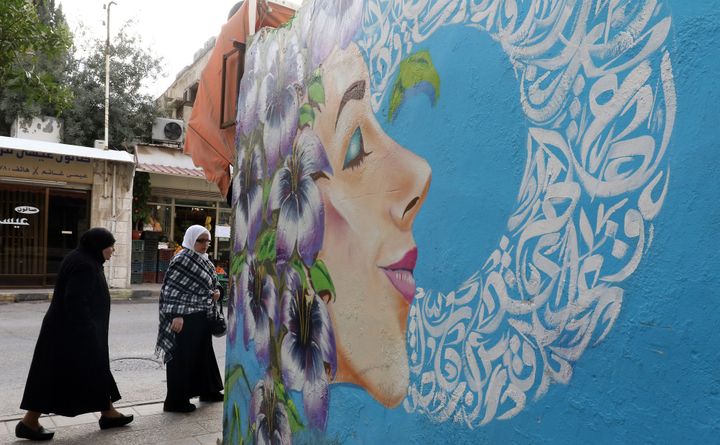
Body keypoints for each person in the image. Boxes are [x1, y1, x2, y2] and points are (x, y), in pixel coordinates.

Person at [16, 227, 133, 441]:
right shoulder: (84, 265)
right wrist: (87, 331)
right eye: (110, 245)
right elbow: (75, 300)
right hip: (72, 333)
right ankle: (28, 422)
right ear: (99, 246)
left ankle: (108, 412)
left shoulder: (82, 258)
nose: (113, 250)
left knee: (94, 370)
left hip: (70, 330)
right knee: (52, 376)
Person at [156, 225, 224, 413]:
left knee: (203, 355)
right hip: (184, 318)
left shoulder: (205, 260)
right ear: (190, 239)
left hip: (202, 315)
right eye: (200, 241)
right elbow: (171, 289)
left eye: (207, 241)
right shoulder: (182, 259)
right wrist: (176, 314)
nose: (204, 244)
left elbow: (212, 283)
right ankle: (175, 401)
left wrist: (217, 291)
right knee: (182, 358)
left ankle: (208, 391)